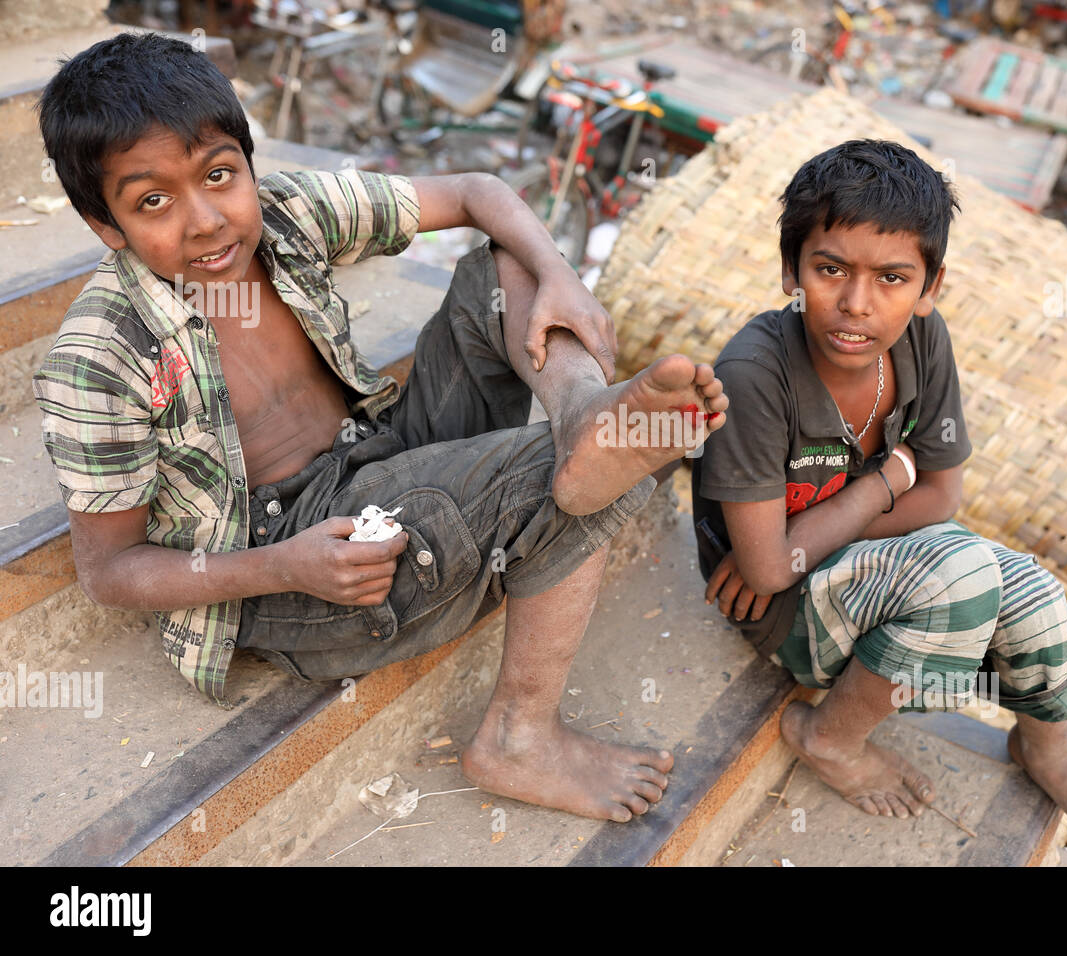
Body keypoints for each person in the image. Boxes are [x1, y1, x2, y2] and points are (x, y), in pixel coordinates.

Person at [33, 32, 729, 823]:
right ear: (105, 226)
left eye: (220, 176)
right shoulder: (101, 357)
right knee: (560, 479)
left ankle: (581, 413)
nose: (204, 222)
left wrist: (562, 278)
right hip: (295, 552)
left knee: (502, 269)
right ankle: (517, 736)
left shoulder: (287, 214)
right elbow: (111, 571)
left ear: (247, 165)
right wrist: (285, 566)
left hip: (376, 447)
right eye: (153, 201)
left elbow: (475, 191)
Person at [691, 139, 1067, 859]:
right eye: (830, 269)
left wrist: (804, 538)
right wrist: (885, 479)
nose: (856, 303)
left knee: (1028, 585)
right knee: (962, 574)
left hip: (844, 570)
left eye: (893, 278)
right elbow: (769, 573)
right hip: (778, 614)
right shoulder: (756, 375)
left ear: (930, 286)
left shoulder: (920, 342)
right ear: (791, 270)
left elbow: (943, 492)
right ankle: (830, 737)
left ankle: (1048, 750)